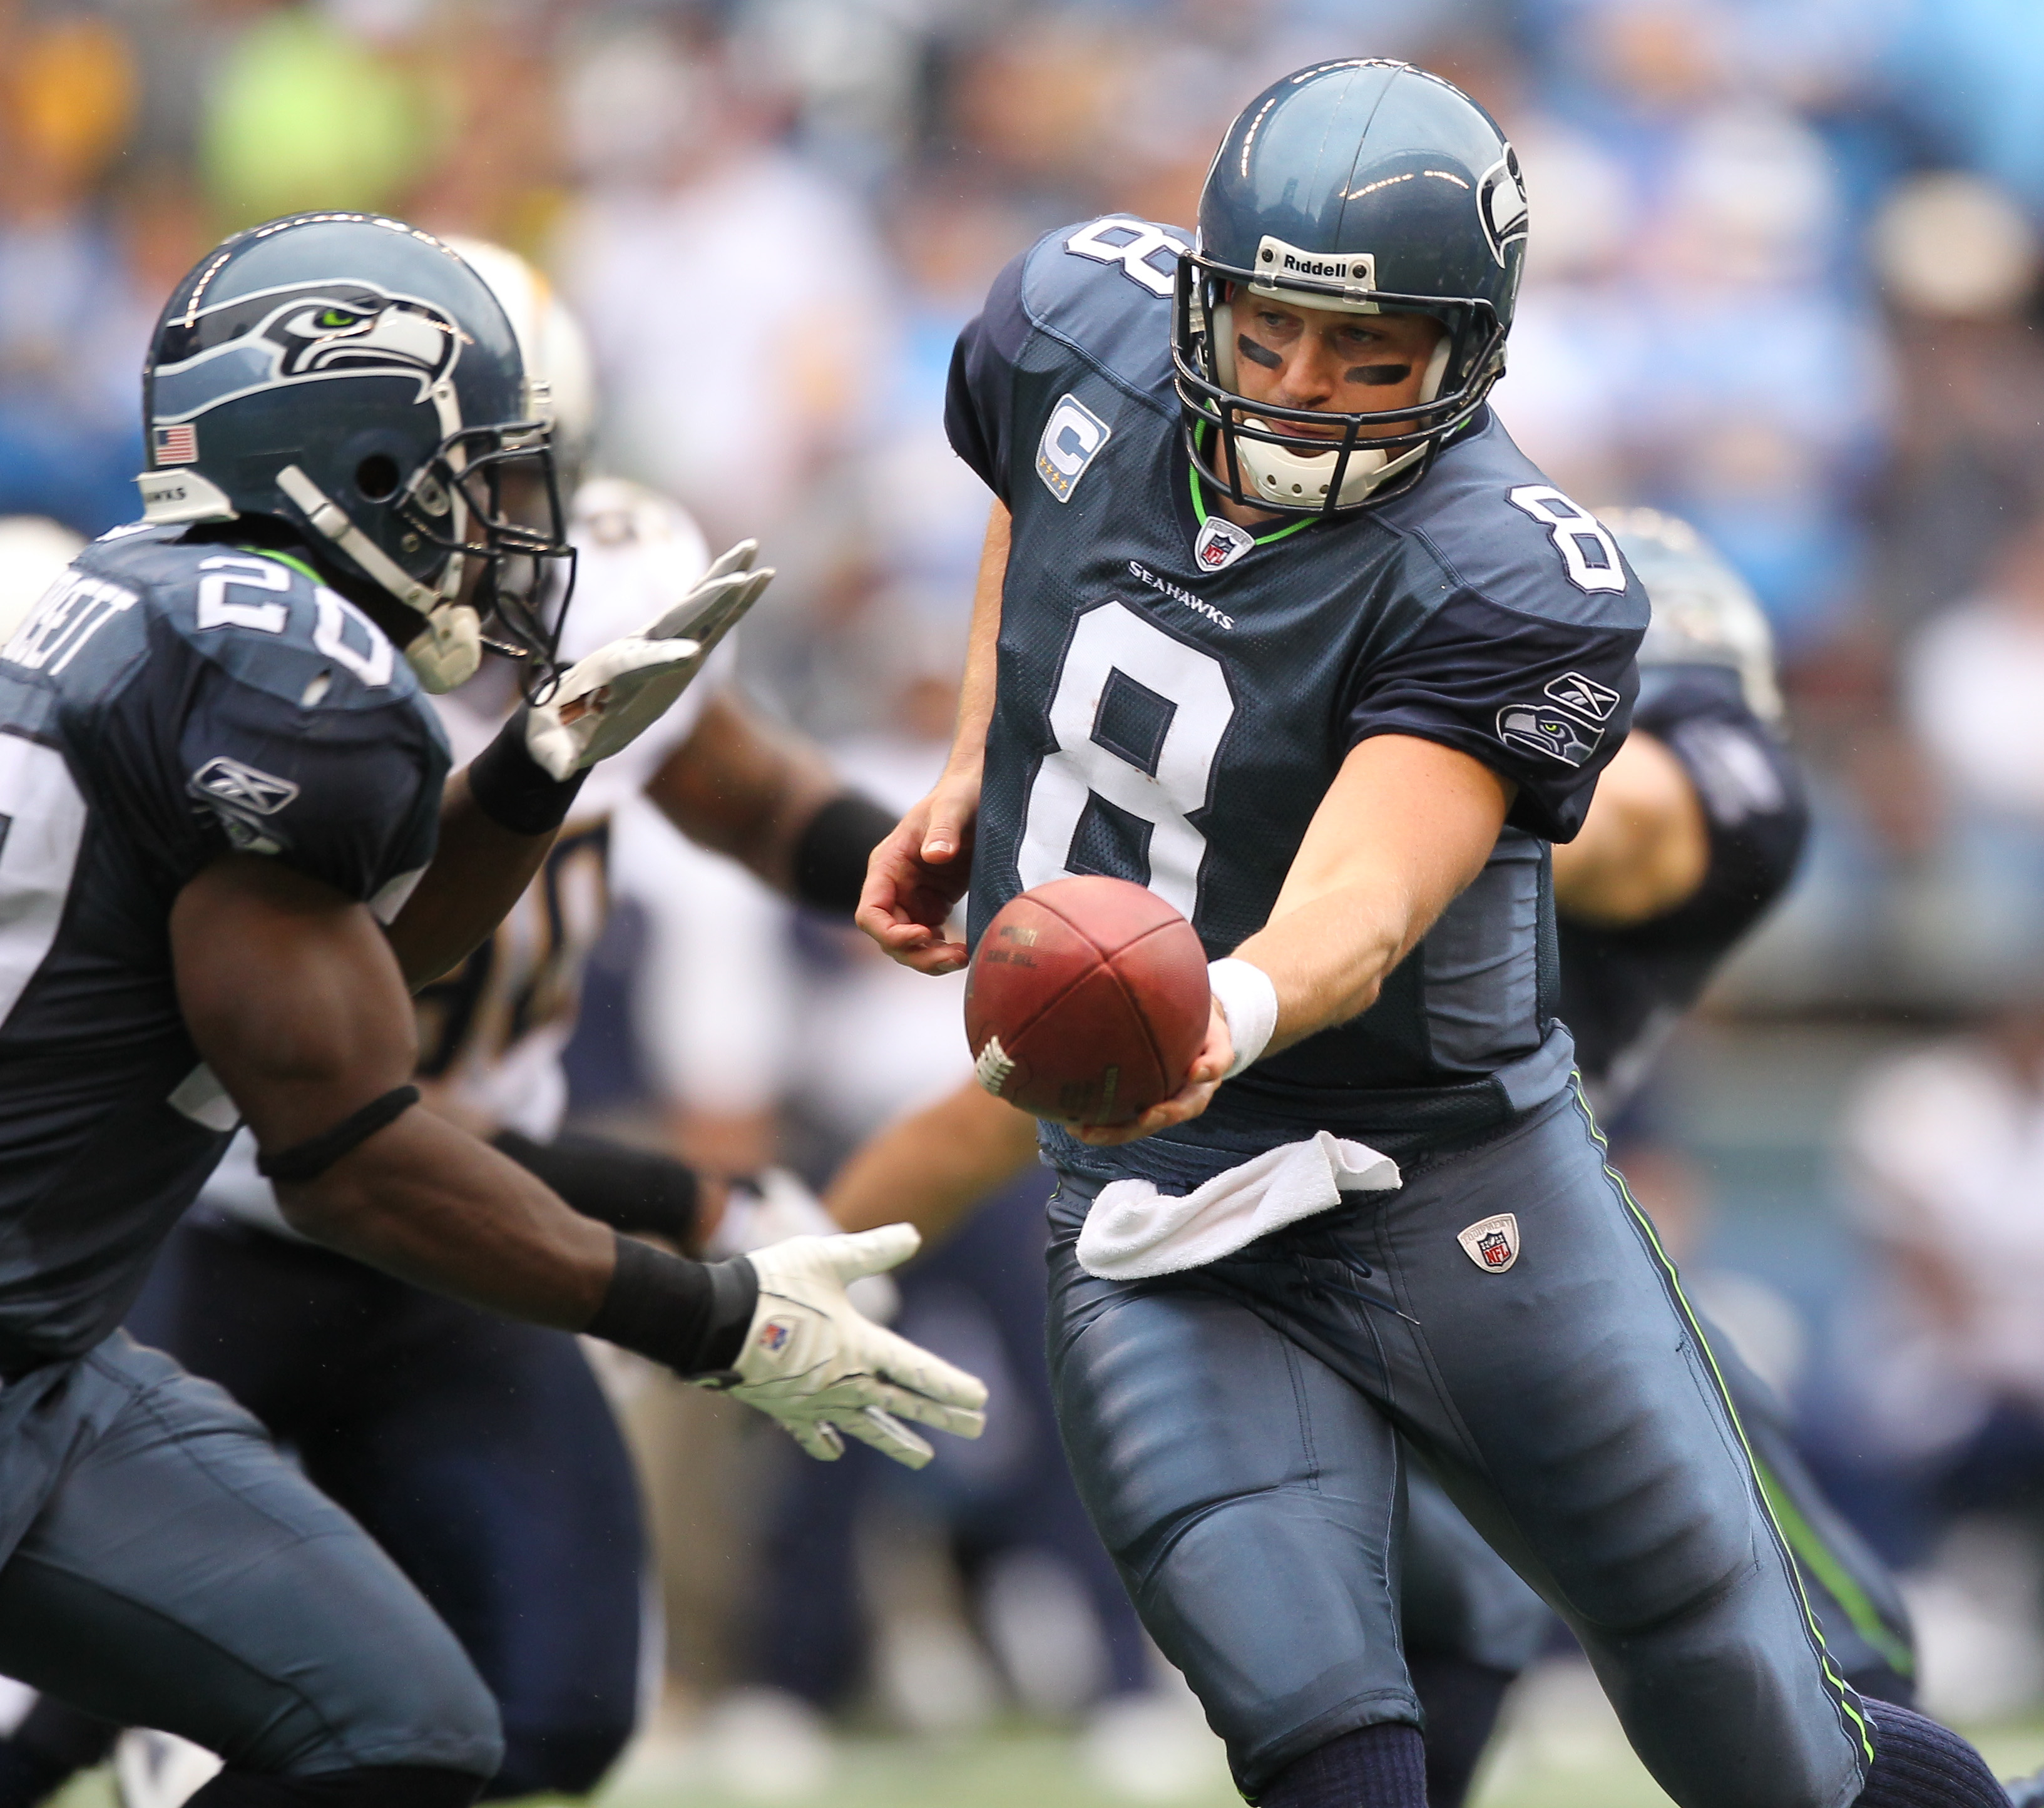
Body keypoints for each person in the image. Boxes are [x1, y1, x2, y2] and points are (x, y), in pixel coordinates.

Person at [857, 59, 1998, 1808]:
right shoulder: (1069, 322)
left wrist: (1211, 1009)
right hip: (1168, 1200)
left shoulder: (1508, 570)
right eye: (1269, 335)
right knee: (1323, 1734)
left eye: (1369, 355)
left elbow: (1367, 902)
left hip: (1458, 1179)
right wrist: (970, 755)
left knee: (1765, 1735)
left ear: (1464, 356)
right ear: (1198, 293)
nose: (1304, 389)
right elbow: (1039, 473)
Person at [0, 211, 984, 1808]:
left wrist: (533, 770)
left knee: (419, 1722)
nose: (513, 530)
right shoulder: (287, 674)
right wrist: (709, 1305)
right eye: (481, 476)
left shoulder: (163, 605)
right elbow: (349, 1144)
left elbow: (356, 978)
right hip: (175, 1263)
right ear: (363, 466)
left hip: (57, 1343)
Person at [832, 506, 1916, 1805]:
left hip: (1516, 1239)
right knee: (1395, 1652)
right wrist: (783, 1259)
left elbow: (1624, 823)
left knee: (1828, 1642)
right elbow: (1020, 1103)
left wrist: (1421, 781)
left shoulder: (1677, 776)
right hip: (1282, 1248)